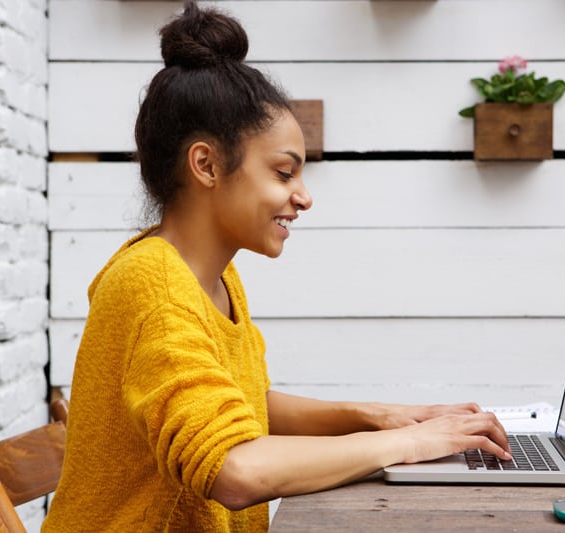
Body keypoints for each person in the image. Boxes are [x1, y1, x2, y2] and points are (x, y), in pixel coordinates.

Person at [42, 2, 511, 532]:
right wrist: (407, 444)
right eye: (284, 172)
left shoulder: (210, 276)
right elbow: (234, 470)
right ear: (207, 165)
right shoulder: (154, 289)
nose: (304, 197)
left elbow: (245, 402)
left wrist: (380, 416)